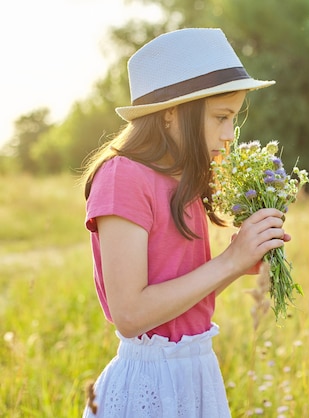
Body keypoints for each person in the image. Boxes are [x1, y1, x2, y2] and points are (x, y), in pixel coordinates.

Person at [80, 28, 286, 417]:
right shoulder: (123, 176)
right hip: (150, 382)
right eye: (221, 118)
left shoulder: (185, 180)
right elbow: (131, 315)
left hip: (196, 371)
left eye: (234, 119)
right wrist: (227, 262)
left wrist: (241, 259)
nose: (229, 135)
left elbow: (182, 303)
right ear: (172, 113)